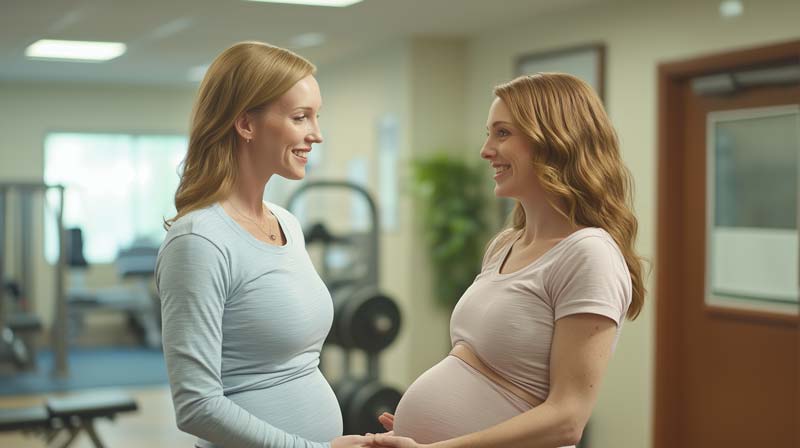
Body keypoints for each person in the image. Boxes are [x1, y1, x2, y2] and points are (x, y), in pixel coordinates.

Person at [373, 73, 646, 448]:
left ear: (553, 141)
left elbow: (567, 419)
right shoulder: (504, 245)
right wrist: (418, 427)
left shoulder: (589, 254)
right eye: (489, 133)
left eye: (503, 133)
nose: (486, 150)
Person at [156, 41, 372, 448]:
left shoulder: (286, 222)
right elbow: (196, 407)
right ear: (246, 125)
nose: (317, 134)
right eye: (300, 117)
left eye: (316, 116)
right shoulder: (199, 241)